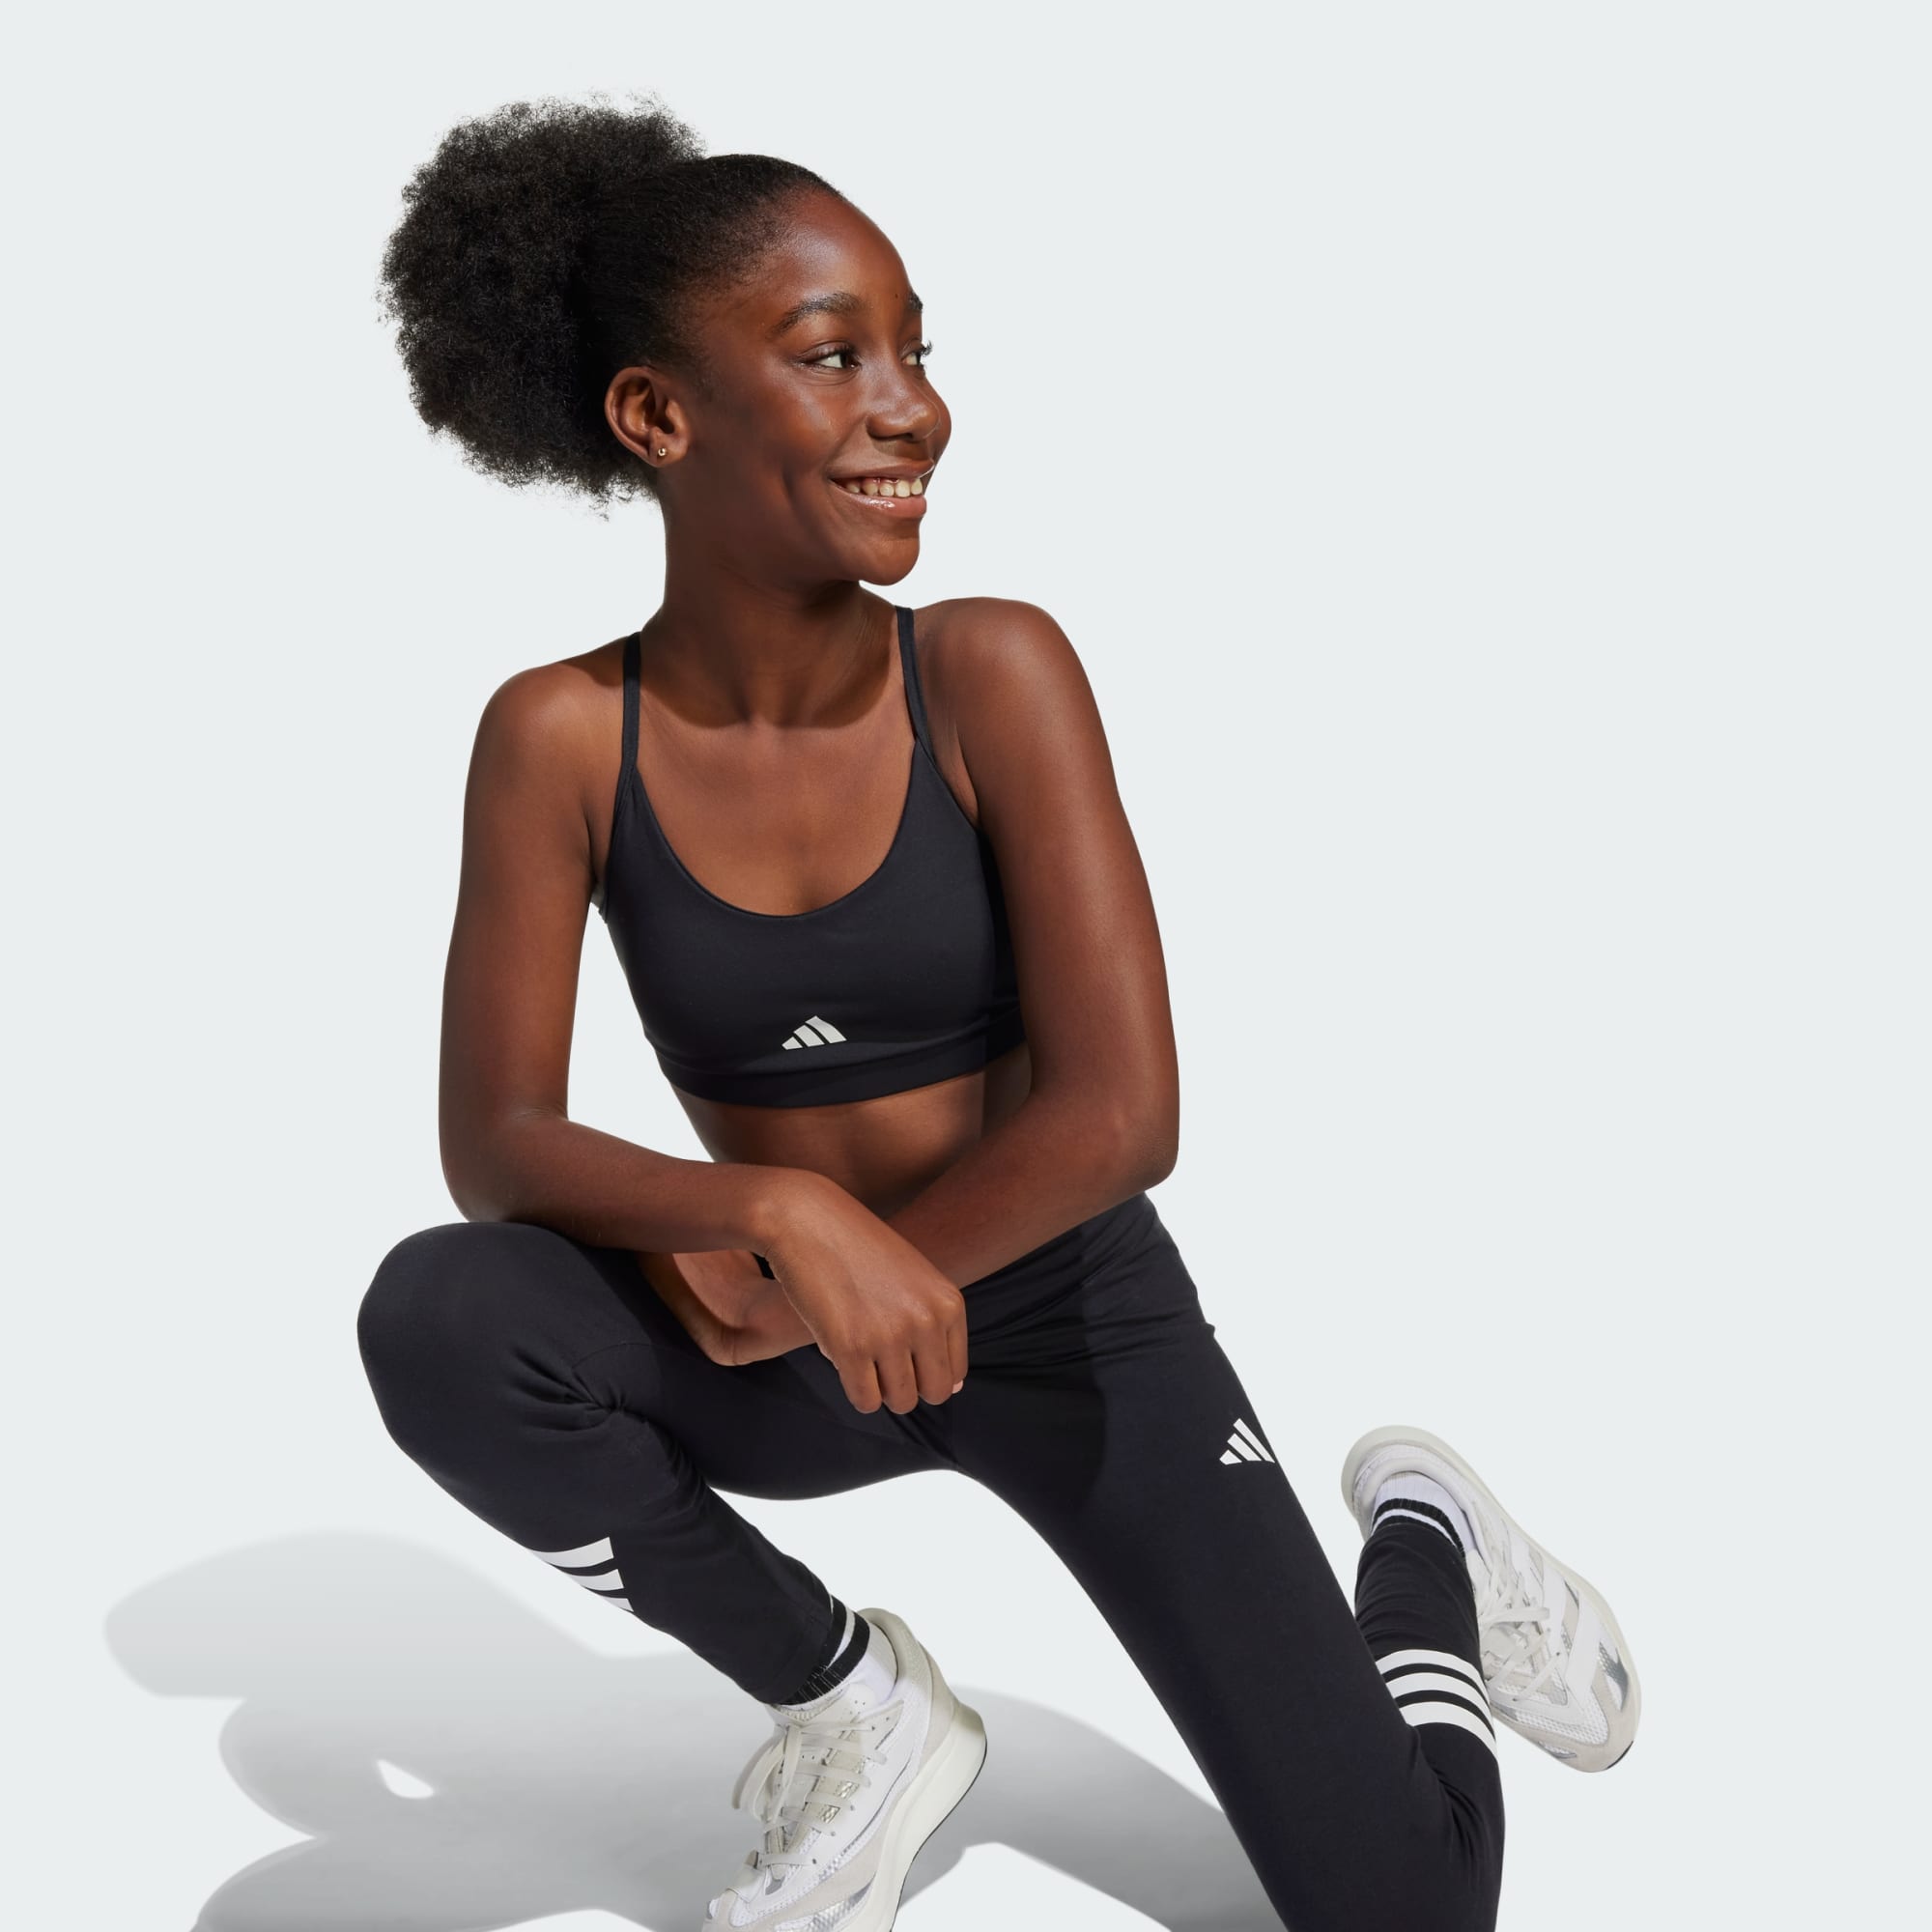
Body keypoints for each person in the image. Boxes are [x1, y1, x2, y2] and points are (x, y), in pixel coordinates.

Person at [355, 94, 1640, 1932]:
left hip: (1068, 1325)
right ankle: (849, 1701)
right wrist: (772, 1220)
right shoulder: (559, 735)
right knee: (446, 1318)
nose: (913, 408)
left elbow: (1124, 1112)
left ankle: (1427, 1552)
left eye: (917, 351)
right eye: (835, 356)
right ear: (657, 415)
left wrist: (849, 1261)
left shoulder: (988, 670)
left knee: (1404, 1910)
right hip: (788, 1334)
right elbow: (500, 1139)